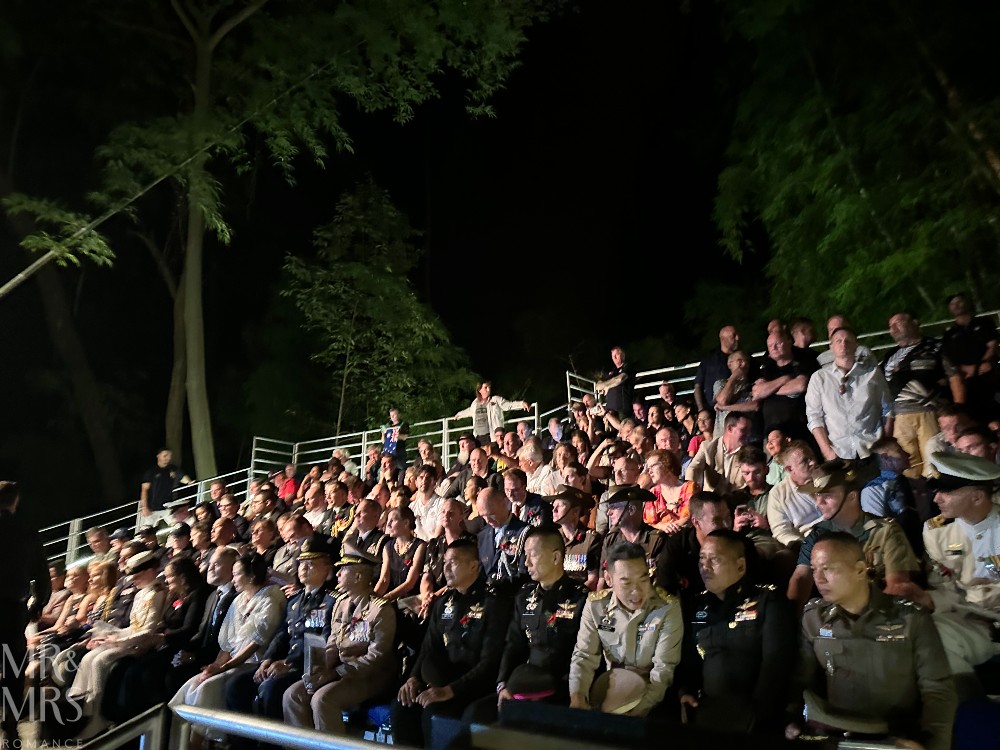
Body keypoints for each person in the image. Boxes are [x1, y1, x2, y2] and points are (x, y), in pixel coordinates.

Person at [789, 532, 956, 750]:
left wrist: (931, 744)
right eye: (814, 569)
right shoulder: (814, 619)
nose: (818, 578)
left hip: (895, 738)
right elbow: (801, 681)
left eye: (828, 568)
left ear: (859, 569)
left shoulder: (909, 618)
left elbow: (937, 688)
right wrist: (791, 719)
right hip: (838, 736)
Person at [390, 539, 512, 746]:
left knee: (435, 713)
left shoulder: (494, 601)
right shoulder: (444, 602)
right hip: (443, 680)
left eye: (453, 562)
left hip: (475, 685)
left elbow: (490, 662)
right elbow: (429, 647)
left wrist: (450, 690)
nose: (445, 568)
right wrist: (413, 679)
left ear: (474, 566)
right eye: (444, 562)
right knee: (402, 707)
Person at [676, 530, 796, 734]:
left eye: (714, 559)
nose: (704, 567)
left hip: (756, 720)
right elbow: (688, 659)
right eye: (702, 559)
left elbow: (776, 666)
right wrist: (685, 691)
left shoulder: (768, 600)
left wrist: (755, 717)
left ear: (740, 565)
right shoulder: (697, 605)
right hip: (706, 714)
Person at [468, 525, 588, 724]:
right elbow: (513, 645)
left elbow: (582, 654)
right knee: (475, 714)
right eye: (525, 555)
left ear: (556, 557)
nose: (526, 562)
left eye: (532, 555)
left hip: (561, 688)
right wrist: (503, 685)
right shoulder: (524, 597)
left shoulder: (580, 598)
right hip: (525, 683)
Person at [169, 553, 286, 749]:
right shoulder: (239, 600)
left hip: (254, 663)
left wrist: (223, 668)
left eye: (237, 574)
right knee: (194, 684)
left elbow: (255, 644)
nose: (233, 580)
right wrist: (214, 665)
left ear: (250, 576)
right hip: (231, 662)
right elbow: (226, 644)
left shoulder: (271, 598)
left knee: (208, 688)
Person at [905, 452, 1000, 685]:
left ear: (977, 497)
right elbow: (947, 588)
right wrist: (928, 598)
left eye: (946, 492)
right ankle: (967, 703)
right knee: (928, 633)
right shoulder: (938, 533)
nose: (936, 499)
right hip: (973, 622)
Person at [283, 551, 397, 733]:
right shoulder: (341, 603)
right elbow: (332, 642)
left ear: (358, 576)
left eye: (343, 570)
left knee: (322, 699)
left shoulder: (380, 609)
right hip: (340, 670)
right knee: (293, 695)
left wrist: (335, 673)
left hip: (369, 675)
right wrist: (321, 668)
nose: (337, 574)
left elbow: (376, 657)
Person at [225, 536, 338, 722]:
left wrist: (289, 663)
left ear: (327, 570)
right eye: (301, 563)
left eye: (311, 563)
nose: (304, 567)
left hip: (307, 665)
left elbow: (322, 642)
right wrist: (267, 659)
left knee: (270, 689)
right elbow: (281, 635)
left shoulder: (332, 601)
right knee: (235, 685)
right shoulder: (294, 600)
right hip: (285, 662)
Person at [786, 459, 919, 610]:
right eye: (817, 495)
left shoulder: (885, 532)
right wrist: (791, 617)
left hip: (878, 613)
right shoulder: (818, 535)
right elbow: (801, 577)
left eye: (827, 496)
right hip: (835, 617)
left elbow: (897, 585)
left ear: (852, 497)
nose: (819, 503)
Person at [569, 542, 683, 717]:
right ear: (608, 579)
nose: (636, 591)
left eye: (643, 580)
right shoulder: (596, 605)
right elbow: (584, 656)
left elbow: (663, 669)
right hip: (611, 691)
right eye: (627, 583)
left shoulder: (667, 608)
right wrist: (577, 697)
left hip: (653, 699)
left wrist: (635, 712)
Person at [66, 549, 167, 739]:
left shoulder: (156, 593)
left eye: (137, 575)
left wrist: (118, 640)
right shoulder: (141, 593)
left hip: (142, 645)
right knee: (89, 657)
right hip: (129, 639)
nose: (133, 580)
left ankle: (98, 717)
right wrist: (108, 636)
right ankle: (83, 710)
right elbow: (133, 626)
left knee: (100, 661)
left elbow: (148, 631)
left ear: (149, 572)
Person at [883, 311, 964, 478]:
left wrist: (959, 409)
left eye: (898, 323)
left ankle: (937, 496)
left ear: (915, 322)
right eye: (890, 326)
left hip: (931, 412)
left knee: (934, 462)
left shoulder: (936, 347)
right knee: (907, 465)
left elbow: (954, 377)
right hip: (899, 417)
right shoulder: (890, 355)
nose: (893, 328)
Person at [0, 483, 52, 738]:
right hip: (11, 609)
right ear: (15, 501)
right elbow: (42, 576)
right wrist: (37, 605)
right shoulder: (26, 532)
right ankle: (11, 722)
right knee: (13, 668)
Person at [806, 327, 893, 460]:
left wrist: (886, 442)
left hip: (872, 447)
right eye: (838, 341)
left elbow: (888, 408)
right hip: (839, 451)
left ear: (856, 344)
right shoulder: (819, 378)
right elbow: (814, 417)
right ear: (831, 346)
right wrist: (827, 451)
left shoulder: (872, 374)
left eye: (848, 340)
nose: (843, 344)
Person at [941, 293, 999, 422]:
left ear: (966, 303)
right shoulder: (949, 333)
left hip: (988, 371)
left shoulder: (984, 322)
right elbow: (949, 359)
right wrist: (968, 369)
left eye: (959, 302)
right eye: (952, 304)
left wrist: (982, 364)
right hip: (965, 377)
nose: (956, 306)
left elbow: (992, 345)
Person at [598, 485, 666, 589]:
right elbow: (603, 581)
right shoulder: (611, 540)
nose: (609, 512)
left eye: (614, 507)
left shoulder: (656, 540)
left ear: (631, 509)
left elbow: (661, 584)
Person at [684, 412, 753, 494]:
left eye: (749, 430)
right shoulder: (707, 447)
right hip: (710, 500)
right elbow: (693, 468)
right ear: (730, 428)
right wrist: (692, 490)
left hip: (736, 502)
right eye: (744, 430)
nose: (748, 434)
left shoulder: (749, 453)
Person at [549, 485, 603, 591]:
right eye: (554, 505)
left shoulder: (590, 540)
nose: (554, 510)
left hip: (580, 598)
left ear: (575, 511)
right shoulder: (552, 539)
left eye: (560, 506)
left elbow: (593, 579)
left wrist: (574, 595)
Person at [476, 487, 529, 591]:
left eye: (491, 514)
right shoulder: (482, 536)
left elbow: (524, 573)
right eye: (483, 516)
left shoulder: (524, 532)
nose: (488, 520)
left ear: (505, 503)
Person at [454, 381, 531, 446]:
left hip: (491, 436)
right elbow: (469, 411)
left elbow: (508, 405)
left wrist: (521, 404)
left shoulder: (495, 400)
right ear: (479, 390)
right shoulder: (475, 403)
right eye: (485, 387)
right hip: (478, 437)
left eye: (489, 387)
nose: (488, 389)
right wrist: (459, 415)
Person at [139, 448, 193, 527]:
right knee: (147, 529)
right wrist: (144, 507)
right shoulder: (151, 472)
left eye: (169, 456)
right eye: (165, 455)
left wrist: (190, 482)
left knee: (177, 525)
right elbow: (144, 490)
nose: (167, 458)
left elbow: (182, 477)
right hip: (152, 508)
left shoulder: (172, 469)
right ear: (158, 456)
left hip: (167, 507)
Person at [595, 345, 633, 418]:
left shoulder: (628, 367)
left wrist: (607, 386)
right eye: (613, 356)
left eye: (617, 355)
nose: (614, 358)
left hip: (622, 409)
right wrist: (606, 385)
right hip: (609, 410)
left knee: (623, 428)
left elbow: (619, 379)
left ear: (623, 355)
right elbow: (598, 385)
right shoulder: (611, 371)